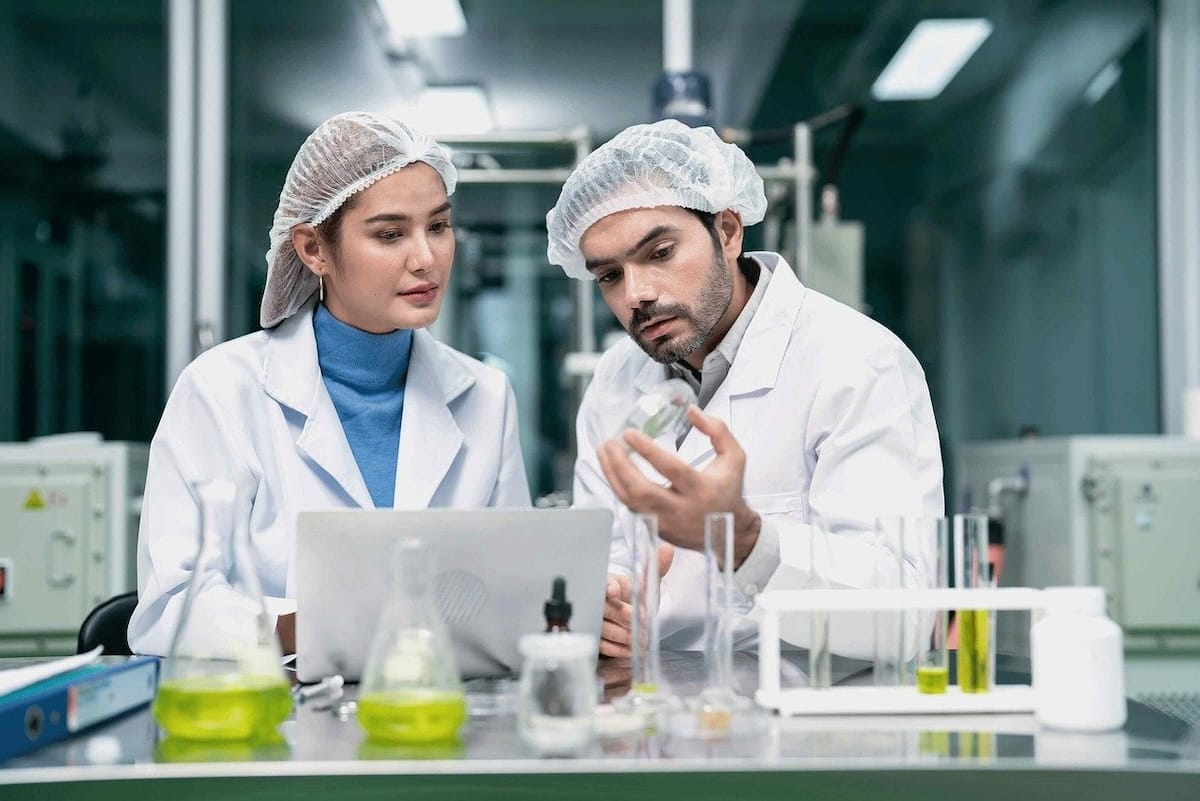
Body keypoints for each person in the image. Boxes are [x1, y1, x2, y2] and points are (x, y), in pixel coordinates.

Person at [129, 112, 531, 656]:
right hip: (277, 720)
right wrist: (315, 623)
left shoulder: (486, 396)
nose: (426, 258)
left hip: (436, 709)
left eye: (438, 226)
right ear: (315, 249)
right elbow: (168, 606)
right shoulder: (222, 390)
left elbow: (511, 584)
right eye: (390, 234)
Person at [546, 120, 943, 659]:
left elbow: (904, 619)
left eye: (659, 253)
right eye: (609, 276)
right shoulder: (616, 382)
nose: (636, 294)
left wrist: (745, 539)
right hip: (669, 712)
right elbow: (610, 556)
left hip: (812, 722)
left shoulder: (856, 361)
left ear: (728, 232)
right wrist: (607, 606)